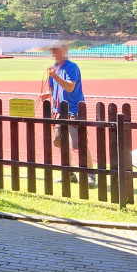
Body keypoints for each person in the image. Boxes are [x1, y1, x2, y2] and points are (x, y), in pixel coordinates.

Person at [38, 43, 96, 187]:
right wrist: (48, 94)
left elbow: (70, 86)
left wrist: (54, 76)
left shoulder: (72, 67)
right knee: (61, 143)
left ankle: (90, 175)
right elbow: (54, 89)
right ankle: (69, 174)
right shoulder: (55, 68)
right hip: (58, 111)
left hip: (74, 110)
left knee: (79, 144)